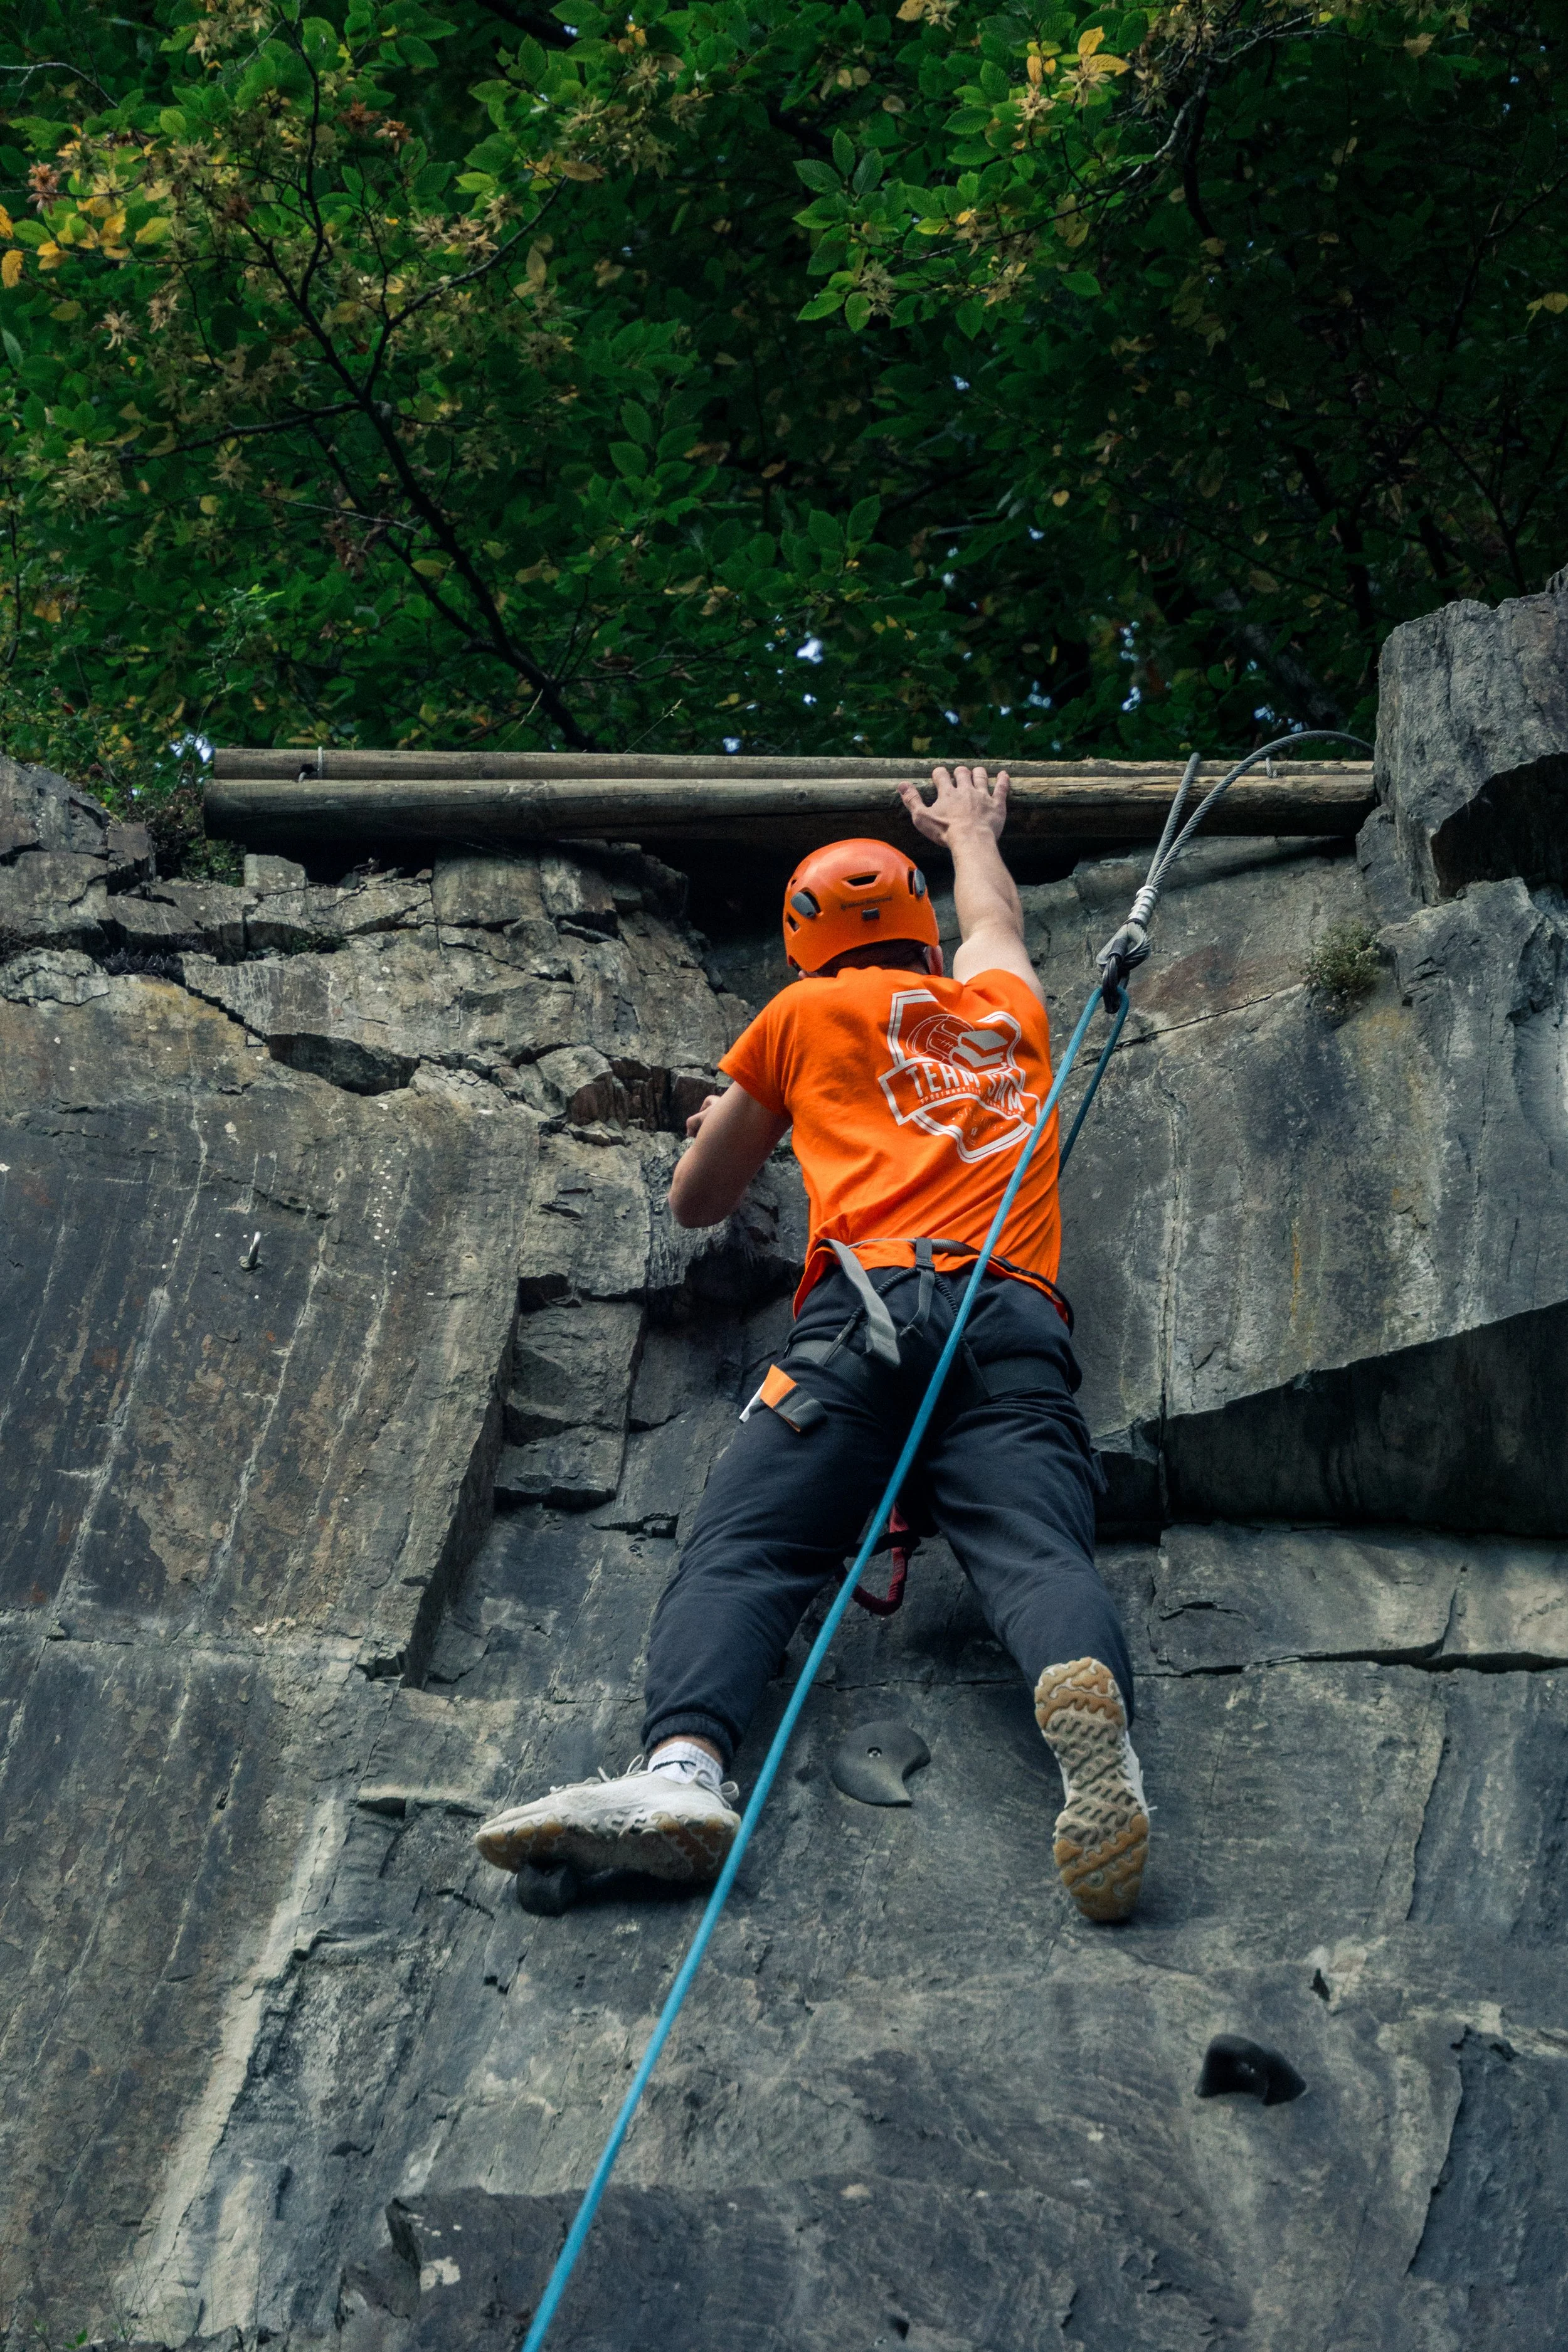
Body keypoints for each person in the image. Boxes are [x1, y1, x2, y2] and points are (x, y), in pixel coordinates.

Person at [475, 764, 1148, 1923]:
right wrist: (972, 831)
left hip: (863, 1323)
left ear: (806, 948)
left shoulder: (797, 1017)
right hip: (1011, 1319)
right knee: (1039, 1555)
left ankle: (683, 1772)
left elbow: (698, 1198)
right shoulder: (1007, 1013)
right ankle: (1095, 1728)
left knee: (747, 1549)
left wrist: (733, 1119)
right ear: (921, 942)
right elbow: (997, 918)